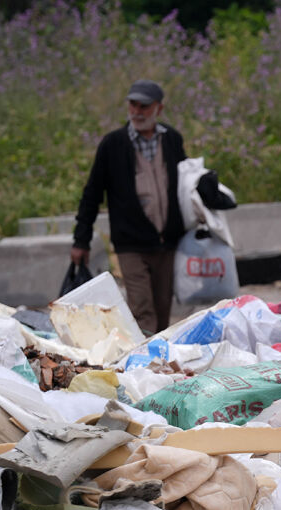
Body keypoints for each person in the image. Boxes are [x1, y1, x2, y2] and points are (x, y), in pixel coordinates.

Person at [71, 80, 187, 335]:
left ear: (159, 108)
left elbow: (186, 183)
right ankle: (145, 367)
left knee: (162, 309)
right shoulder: (113, 145)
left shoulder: (172, 140)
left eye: (144, 106)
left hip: (167, 244)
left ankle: (162, 366)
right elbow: (92, 193)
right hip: (131, 244)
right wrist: (81, 240)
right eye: (133, 104)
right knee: (143, 309)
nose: (137, 111)